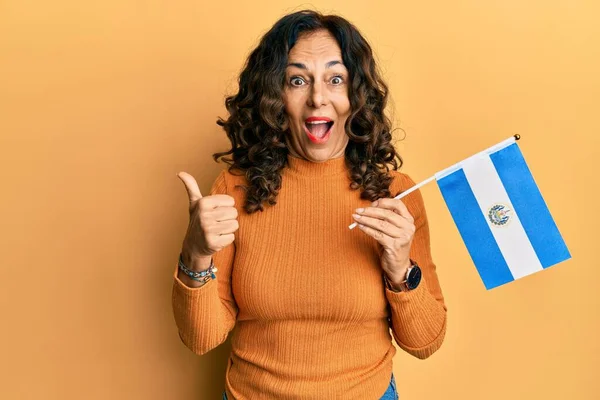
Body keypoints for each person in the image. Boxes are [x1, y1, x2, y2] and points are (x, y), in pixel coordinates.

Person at [173, 9, 447, 400]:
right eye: (297, 80)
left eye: (336, 79)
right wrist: (195, 253)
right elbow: (201, 339)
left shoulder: (395, 195)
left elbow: (426, 342)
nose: (318, 97)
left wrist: (401, 268)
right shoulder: (234, 189)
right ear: (274, 97)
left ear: (356, 95)